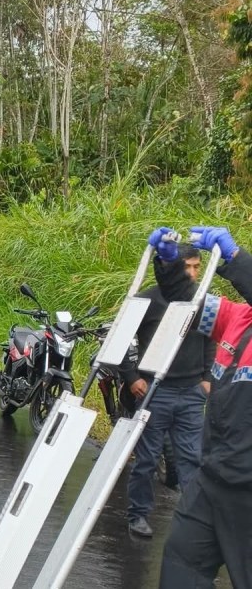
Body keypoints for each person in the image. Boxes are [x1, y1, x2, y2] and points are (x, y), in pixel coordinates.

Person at [148, 226, 252, 588]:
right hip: (214, 479)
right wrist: (169, 264)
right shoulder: (239, 318)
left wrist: (235, 259)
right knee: (181, 563)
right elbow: (186, 302)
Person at [119, 242, 214, 537]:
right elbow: (119, 340)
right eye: (187, 267)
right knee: (146, 460)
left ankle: (194, 522)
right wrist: (131, 377)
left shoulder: (202, 302)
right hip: (154, 392)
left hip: (191, 393)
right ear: (172, 267)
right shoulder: (147, 301)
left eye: (197, 267)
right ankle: (138, 515)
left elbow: (211, 340)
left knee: (192, 459)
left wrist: (207, 377)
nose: (193, 274)